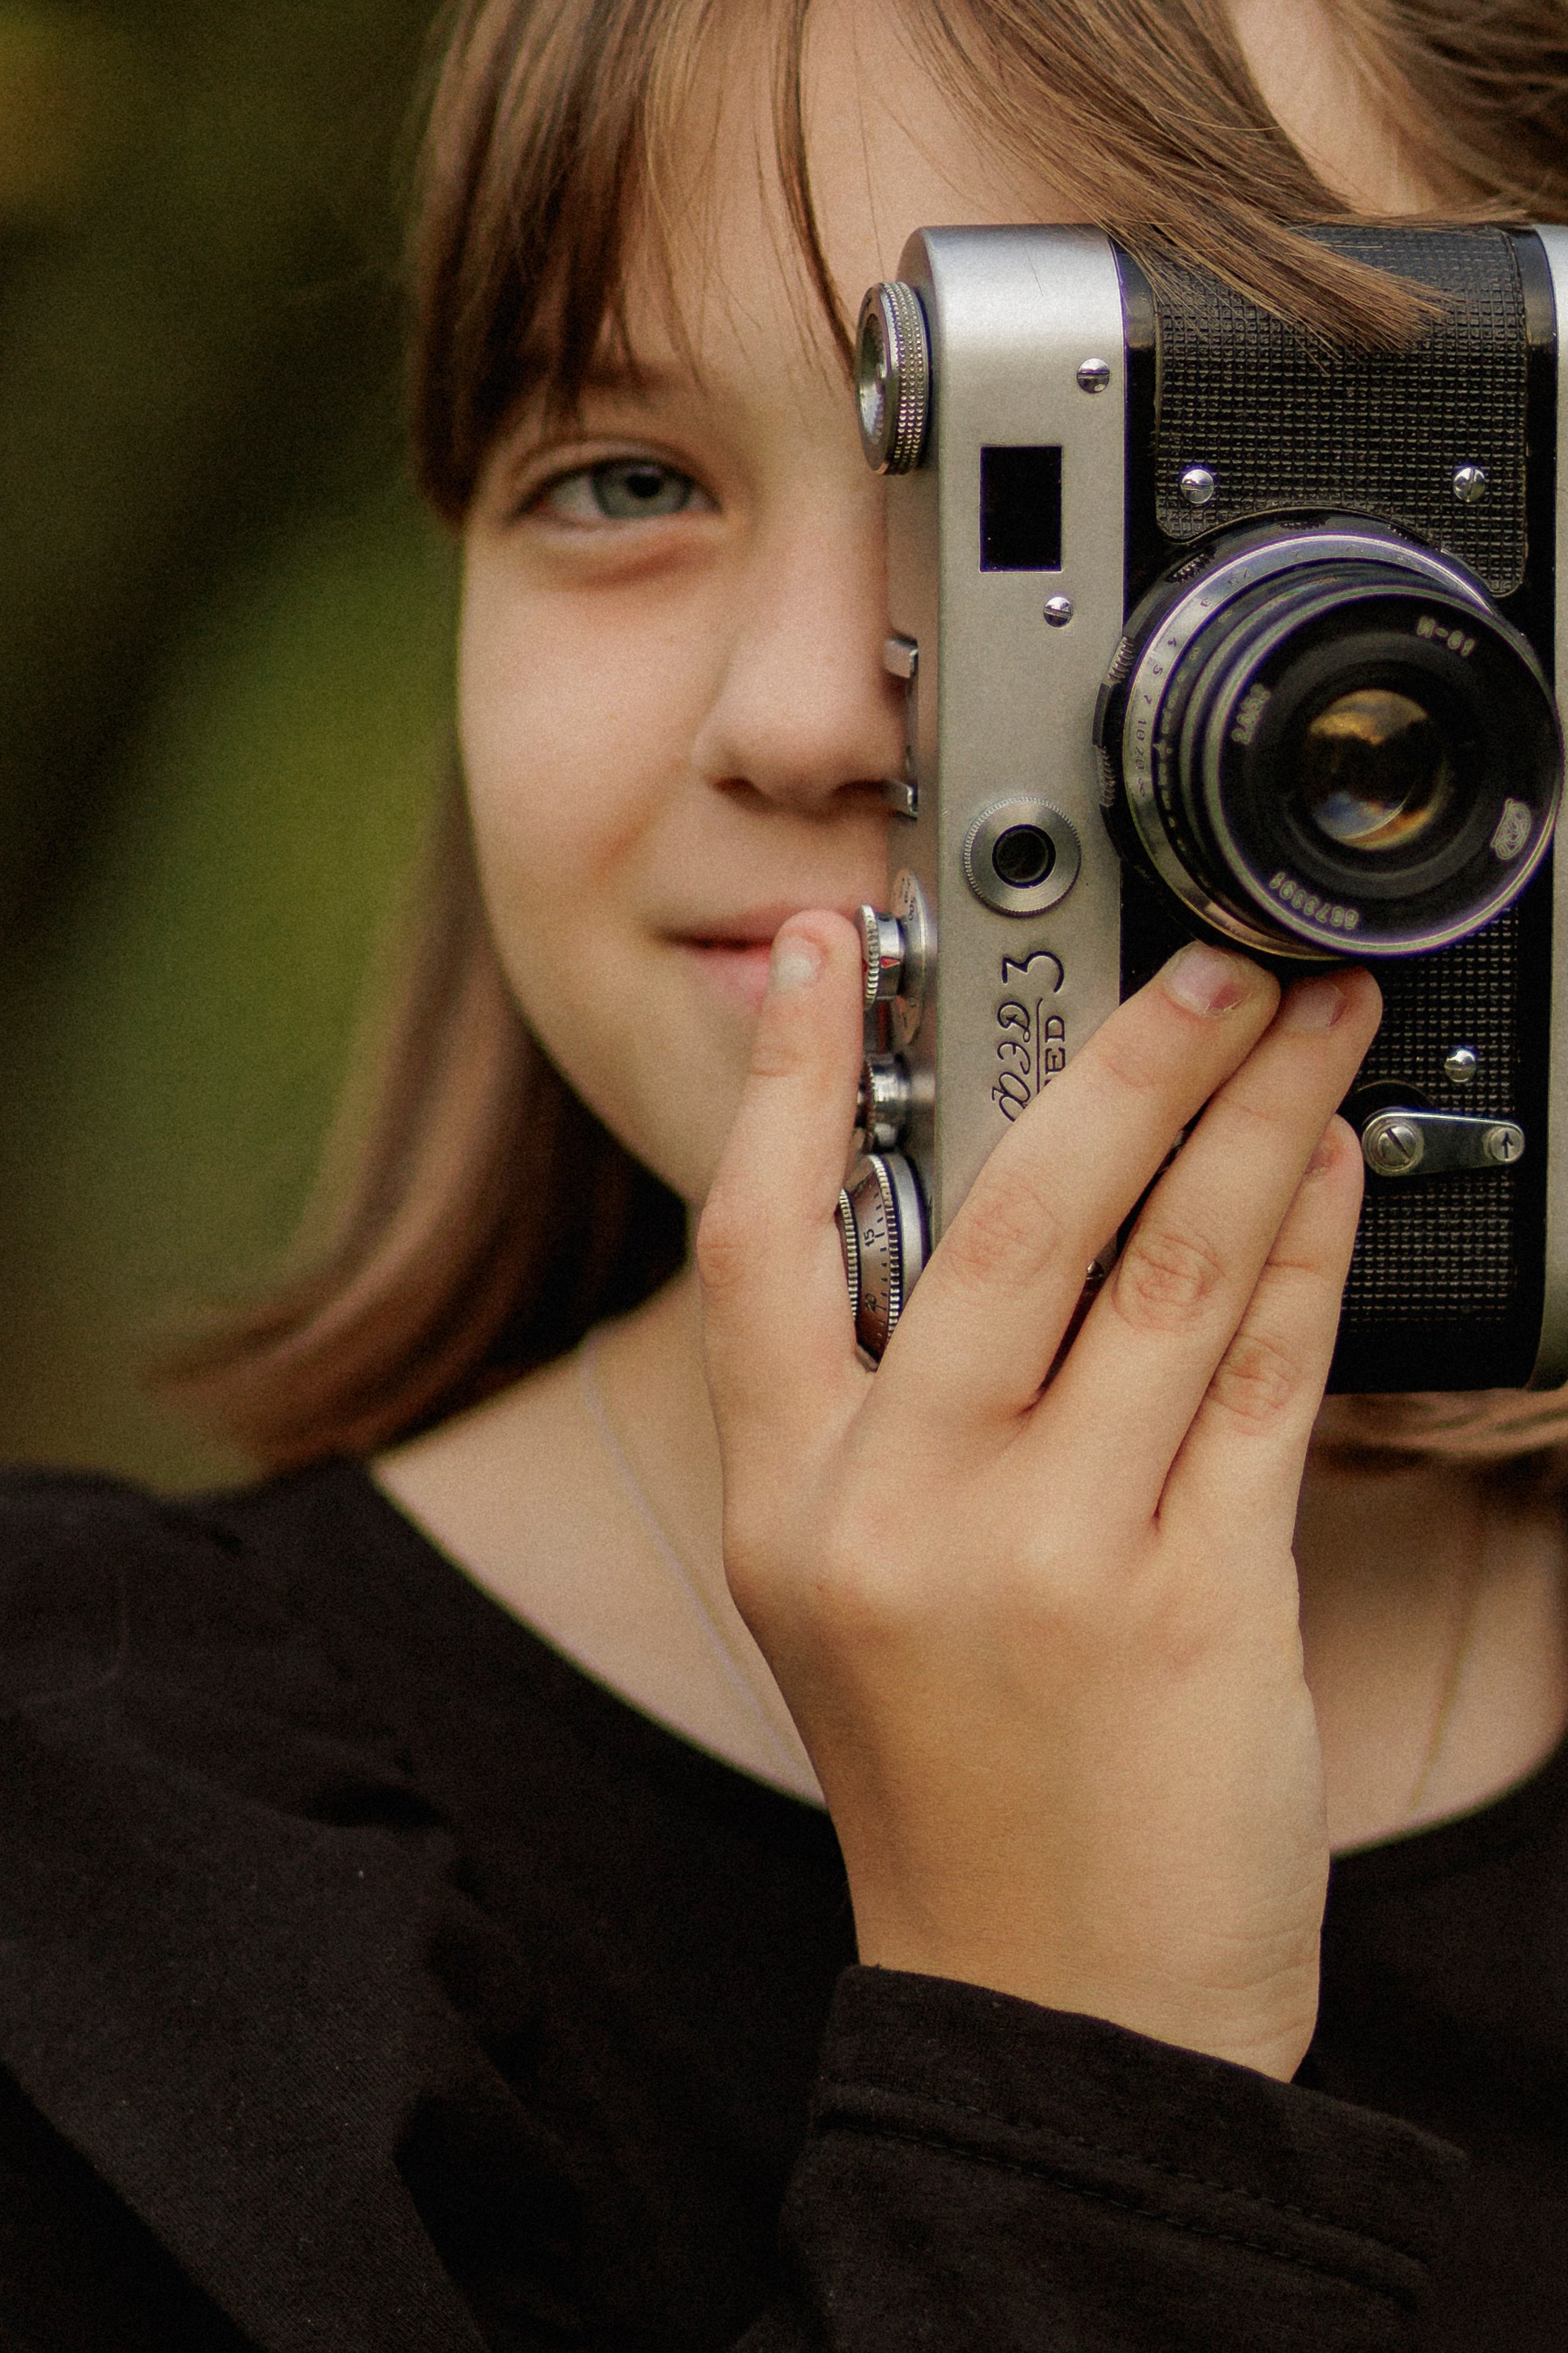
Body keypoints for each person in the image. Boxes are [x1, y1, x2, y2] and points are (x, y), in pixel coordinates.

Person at [4, 0, 1568, 2344]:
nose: (809, 707)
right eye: (621, 478)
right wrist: (1068, 2078)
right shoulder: (107, 1899)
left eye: (1098, 454)